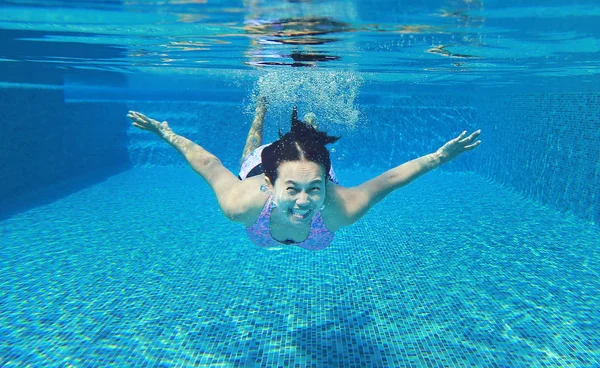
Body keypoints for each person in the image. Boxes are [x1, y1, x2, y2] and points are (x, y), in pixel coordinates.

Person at [127, 100, 480, 251]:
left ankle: (307, 131)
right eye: (292, 189)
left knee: (309, 149)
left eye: (314, 189)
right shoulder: (242, 202)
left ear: (327, 183)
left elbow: (388, 180)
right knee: (249, 146)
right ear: (270, 184)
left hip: (310, 167)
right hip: (260, 164)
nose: (303, 202)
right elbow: (208, 165)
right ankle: (262, 110)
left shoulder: (339, 206)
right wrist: (168, 135)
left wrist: (438, 157)